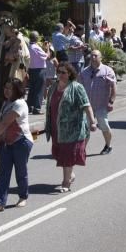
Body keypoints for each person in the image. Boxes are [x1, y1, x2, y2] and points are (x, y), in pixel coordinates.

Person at [46, 63, 97, 192]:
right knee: (59, 154)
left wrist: (92, 121)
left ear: (70, 74)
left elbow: (86, 105)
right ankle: (70, 174)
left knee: (67, 155)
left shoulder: (76, 87)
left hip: (72, 129)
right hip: (56, 128)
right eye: (59, 72)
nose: (61, 75)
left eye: (64, 72)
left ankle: (66, 182)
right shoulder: (53, 87)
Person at [0, 78, 33, 212]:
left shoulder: (19, 104)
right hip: (8, 142)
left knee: (20, 171)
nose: (6, 91)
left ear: (16, 90)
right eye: (5, 88)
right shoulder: (6, 103)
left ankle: (23, 196)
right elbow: (3, 124)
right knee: (4, 173)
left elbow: (6, 123)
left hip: (22, 141)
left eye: (10, 88)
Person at [80, 49, 117, 154]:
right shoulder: (84, 72)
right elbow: (79, 87)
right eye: (91, 56)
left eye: (96, 56)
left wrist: (111, 101)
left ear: (101, 58)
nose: (93, 58)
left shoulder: (107, 71)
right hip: (87, 106)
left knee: (104, 126)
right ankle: (82, 150)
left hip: (101, 105)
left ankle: (108, 145)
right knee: (85, 128)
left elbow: (113, 87)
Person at [0, 20, 29, 109]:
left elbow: (25, 55)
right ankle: (0, 106)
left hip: (14, 68)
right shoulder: (2, 38)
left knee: (12, 86)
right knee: (2, 87)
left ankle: (13, 105)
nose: (3, 29)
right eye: (2, 27)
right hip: (2, 68)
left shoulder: (18, 38)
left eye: (5, 27)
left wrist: (15, 56)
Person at [26, 31, 48, 114]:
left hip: (31, 70)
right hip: (39, 70)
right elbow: (46, 56)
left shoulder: (29, 46)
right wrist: (48, 48)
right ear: (37, 38)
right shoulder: (36, 47)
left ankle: (30, 106)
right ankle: (37, 108)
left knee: (32, 89)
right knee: (39, 90)